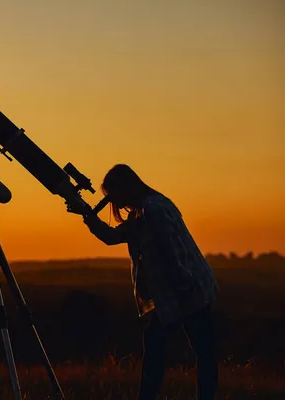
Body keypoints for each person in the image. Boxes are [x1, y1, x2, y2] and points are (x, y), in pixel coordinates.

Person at [69, 164, 219, 400]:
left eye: (114, 196)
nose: (114, 203)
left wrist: (184, 289)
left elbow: (173, 252)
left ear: (126, 187)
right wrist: (86, 215)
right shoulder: (141, 212)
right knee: (189, 351)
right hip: (177, 292)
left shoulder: (154, 209)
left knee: (192, 352)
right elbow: (112, 237)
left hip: (186, 289)